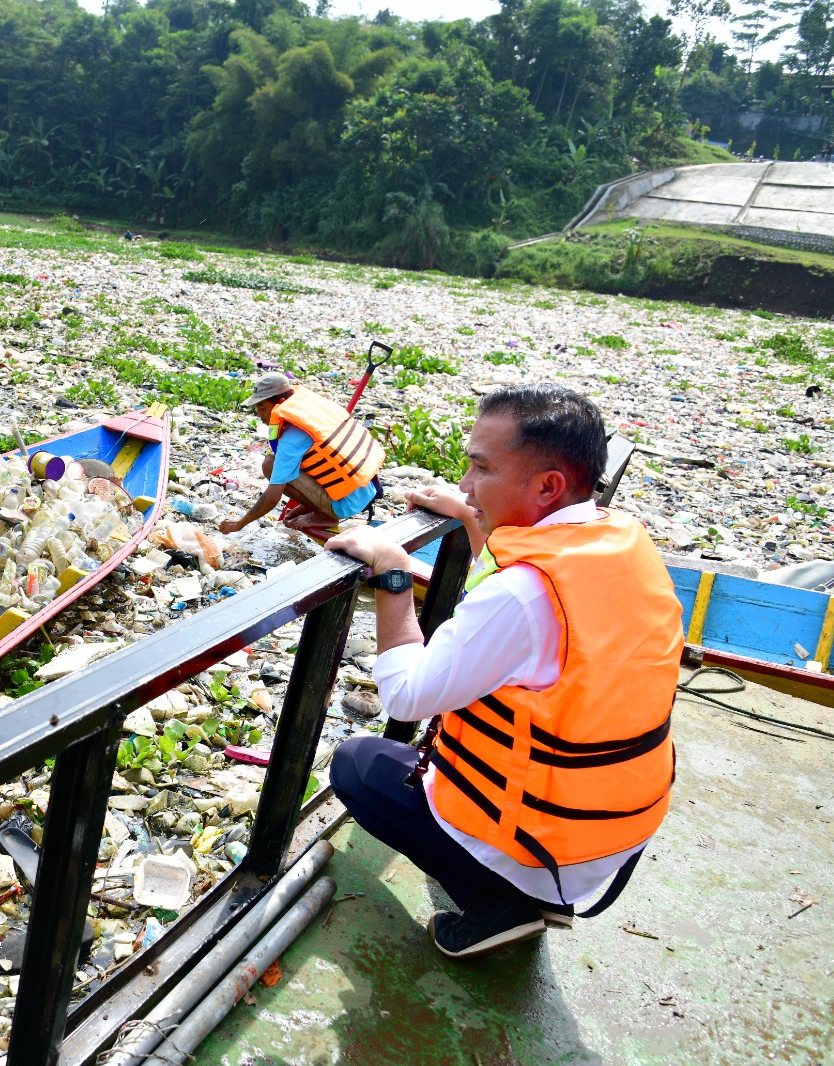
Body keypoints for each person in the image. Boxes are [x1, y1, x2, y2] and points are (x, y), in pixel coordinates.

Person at [323, 384, 682, 959]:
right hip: (614, 830)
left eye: (481, 469)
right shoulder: (618, 540)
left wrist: (392, 576)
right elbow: (526, 590)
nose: (465, 484)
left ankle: (499, 905)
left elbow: (407, 697)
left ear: (547, 486)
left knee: (358, 765)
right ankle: (514, 882)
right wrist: (475, 516)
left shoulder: (523, 594)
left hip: (544, 847)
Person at [218, 373, 383, 538]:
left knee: (270, 465)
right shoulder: (311, 409)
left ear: (281, 403)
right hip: (366, 488)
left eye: (262, 408)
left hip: (346, 504)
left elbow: (272, 496)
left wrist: (240, 523)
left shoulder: (291, 440)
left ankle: (328, 515)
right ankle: (318, 508)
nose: (259, 416)